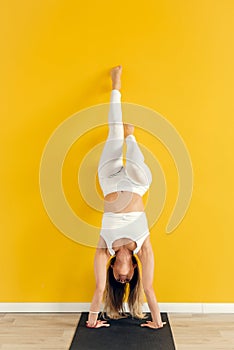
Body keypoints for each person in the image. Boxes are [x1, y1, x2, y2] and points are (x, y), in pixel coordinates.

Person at [86, 65, 166, 330]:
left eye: (118, 282)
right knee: (134, 164)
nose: (123, 280)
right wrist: (157, 323)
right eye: (128, 281)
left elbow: (99, 290)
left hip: (108, 178)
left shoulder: (103, 250)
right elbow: (150, 289)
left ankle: (116, 86)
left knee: (114, 132)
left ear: (113, 271)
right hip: (136, 182)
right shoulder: (143, 249)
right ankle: (132, 140)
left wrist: (92, 321)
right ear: (132, 271)